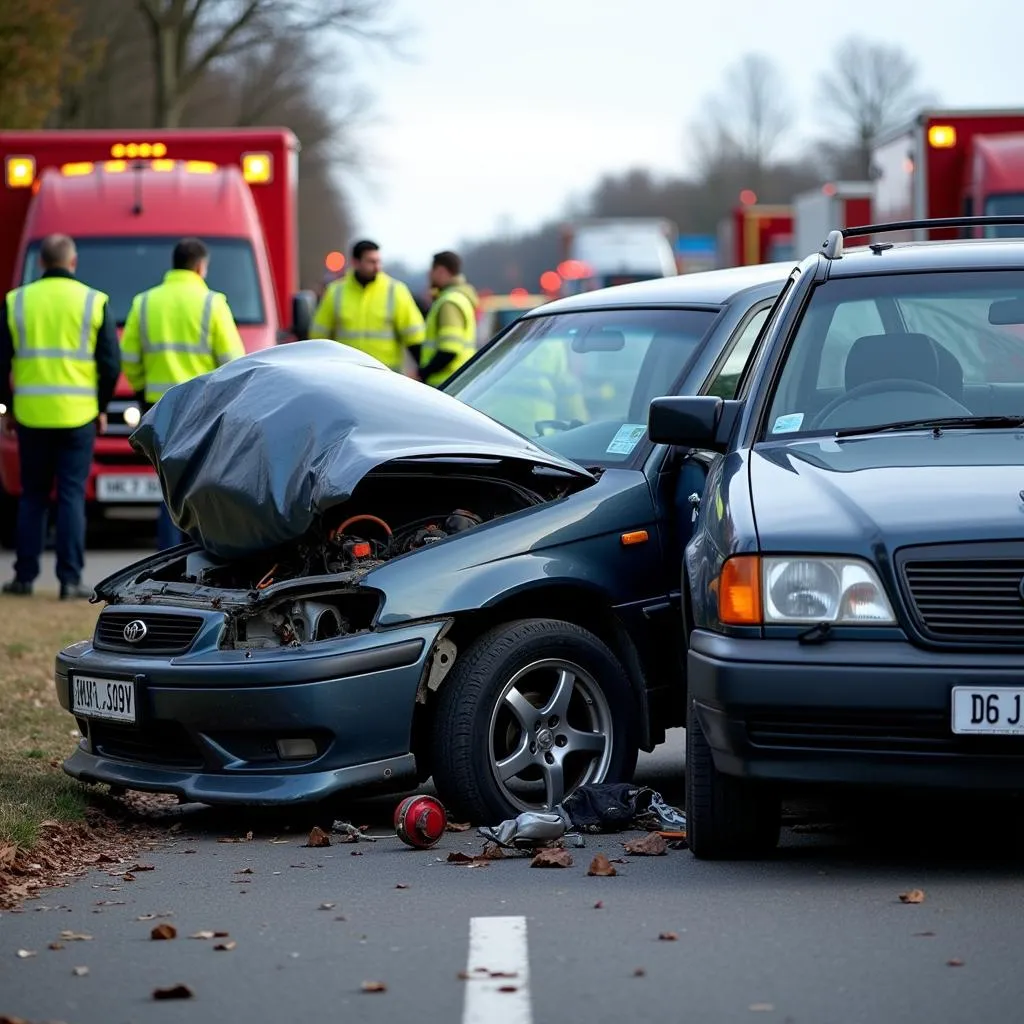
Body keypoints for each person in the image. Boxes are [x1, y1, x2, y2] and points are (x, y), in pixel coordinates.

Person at [0, 234, 121, 599]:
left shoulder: (16, 302)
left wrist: (8, 406)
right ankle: (70, 580)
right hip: (78, 416)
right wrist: (100, 406)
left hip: (31, 415)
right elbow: (111, 365)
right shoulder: (93, 302)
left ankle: (24, 577)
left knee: (32, 497)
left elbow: (1, 361)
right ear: (73, 263)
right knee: (70, 495)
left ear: (40, 263)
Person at [120, 237, 245, 550]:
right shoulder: (213, 303)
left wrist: (142, 389)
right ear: (201, 266)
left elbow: (130, 359)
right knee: (200, 485)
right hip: (204, 406)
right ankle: (197, 555)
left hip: (159, 406)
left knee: (168, 486)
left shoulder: (144, 302)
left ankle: (168, 553)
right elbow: (233, 360)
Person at [310, 240, 425, 372]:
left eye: (378, 261)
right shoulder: (335, 291)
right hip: (346, 373)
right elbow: (318, 335)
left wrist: (422, 371)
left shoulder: (396, 291)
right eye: (371, 262)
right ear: (355, 263)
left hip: (386, 375)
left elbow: (415, 337)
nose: (377, 267)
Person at [414, 251, 480, 387]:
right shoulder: (457, 297)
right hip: (457, 381)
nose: (429, 275)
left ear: (441, 271)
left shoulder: (449, 303)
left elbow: (449, 350)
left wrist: (422, 373)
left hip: (446, 384)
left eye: (432, 270)